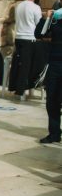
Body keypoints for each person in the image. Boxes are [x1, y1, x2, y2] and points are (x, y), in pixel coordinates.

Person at [9, 0, 43, 98]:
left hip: (19, 38)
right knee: (29, 66)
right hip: (30, 39)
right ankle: (23, 90)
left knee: (18, 64)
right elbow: (39, 24)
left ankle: (16, 87)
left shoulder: (19, 6)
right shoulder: (35, 7)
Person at [37, 8, 62, 143]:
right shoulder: (55, 19)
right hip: (54, 64)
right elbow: (39, 34)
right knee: (52, 100)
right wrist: (46, 18)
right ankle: (54, 133)